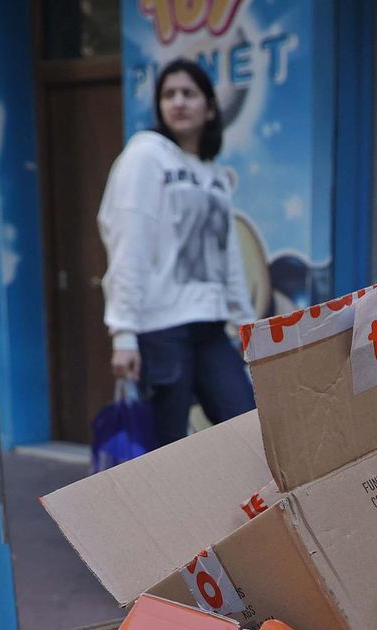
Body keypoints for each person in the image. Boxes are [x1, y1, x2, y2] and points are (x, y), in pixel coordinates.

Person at [98, 58, 257, 447]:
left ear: (211, 106)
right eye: (168, 95)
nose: (178, 102)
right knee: (169, 448)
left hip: (210, 324)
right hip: (162, 328)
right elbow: (128, 244)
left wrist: (247, 321)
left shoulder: (212, 173)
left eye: (189, 93)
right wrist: (123, 334)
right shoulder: (145, 157)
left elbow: (228, 253)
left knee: (248, 428)